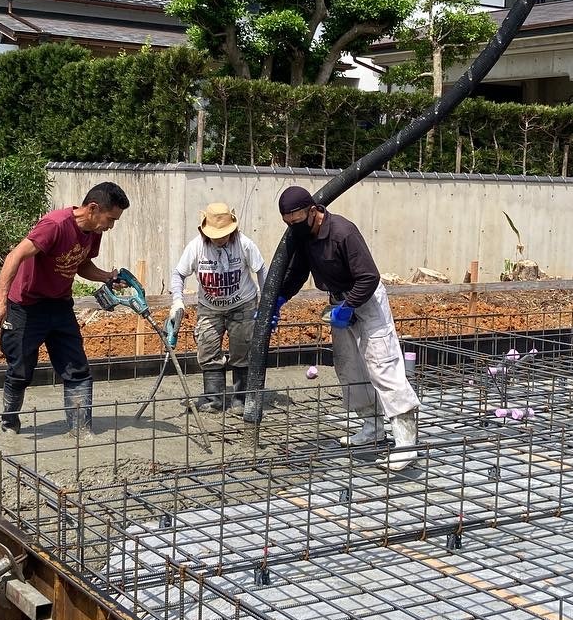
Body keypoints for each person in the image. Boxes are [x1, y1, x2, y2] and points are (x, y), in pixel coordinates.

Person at [269, 186, 421, 469]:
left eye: (297, 220)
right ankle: (372, 426)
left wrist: (350, 306)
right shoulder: (304, 236)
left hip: (366, 301)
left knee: (382, 365)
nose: (293, 227)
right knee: (350, 368)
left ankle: (405, 443)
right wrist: (278, 299)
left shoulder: (342, 232)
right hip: (340, 302)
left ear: (313, 211)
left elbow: (369, 276)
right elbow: (298, 273)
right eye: (288, 223)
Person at [0, 182, 129, 436]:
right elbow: (15, 256)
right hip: (26, 306)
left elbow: (81, 264)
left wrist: (107, 276)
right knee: (20, 371)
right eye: (110, 219)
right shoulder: (55, 225)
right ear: (93, 208)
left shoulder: (93, 232)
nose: (111, 226)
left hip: (60, 305)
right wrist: (0, 301)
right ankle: (9, 424)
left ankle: (81, 430)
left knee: (77, 369)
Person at [165, 202, 267, 411]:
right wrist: (177, 300)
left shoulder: (244, 244)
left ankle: (241, 400)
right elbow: (179, 274)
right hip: (209, 307)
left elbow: (261, 269)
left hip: (242, 304)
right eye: (215, 235)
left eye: (224, 234)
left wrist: (266, 303)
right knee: (208, 349)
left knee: (242, 351)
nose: (220, 238)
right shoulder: (196, 247)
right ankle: (214, 399)